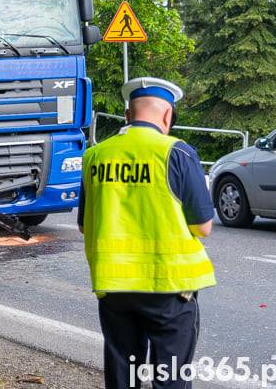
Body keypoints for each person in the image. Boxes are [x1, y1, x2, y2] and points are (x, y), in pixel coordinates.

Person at [78, 77, 215, 389]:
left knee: (123, 374)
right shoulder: (176, 152)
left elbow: (85, 225)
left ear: (128, 115)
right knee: (170, 376)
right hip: (168, 286)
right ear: (167, 116)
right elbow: (203, 226)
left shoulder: (95, 156)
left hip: (114, 286)